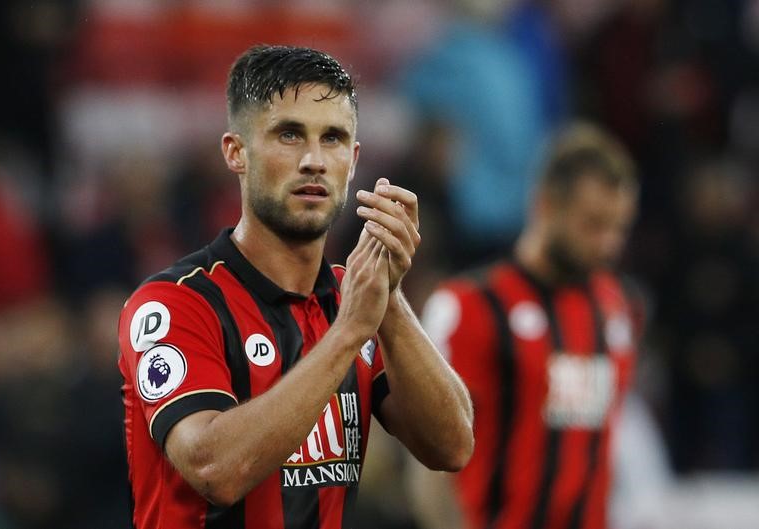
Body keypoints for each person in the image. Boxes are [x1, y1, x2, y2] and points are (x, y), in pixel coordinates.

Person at [117, 44, 474, 529]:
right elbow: (213, 469)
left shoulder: (360, 301)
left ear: (353, 158)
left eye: (332, 139)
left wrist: (387, 296)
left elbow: (452, 446)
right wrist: (348, 333)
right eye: (289, 135)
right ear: (235, 152)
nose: (314, 160)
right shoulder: (175, 305)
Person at [417, 122, 639, 529]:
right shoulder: (470, 306)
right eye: (593, 224)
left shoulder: (614, 307)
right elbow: (429, 463)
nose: (609, 244)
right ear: (545, 205)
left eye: (618, 228)